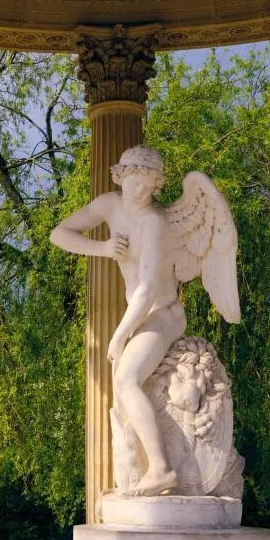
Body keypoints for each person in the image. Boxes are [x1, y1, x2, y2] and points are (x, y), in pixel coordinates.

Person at [50, 146, 185, 497]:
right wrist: (104, 248)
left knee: (125, 379)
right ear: (121, 176)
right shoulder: (110, 204)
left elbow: (147, 290)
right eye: (133, 181)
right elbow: (59, 234)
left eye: (147, 185)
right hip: (138, 315)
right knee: (124, 388)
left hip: (163, 313)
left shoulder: (155, 222)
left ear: (156, 186)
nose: (138, 191)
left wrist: (118, 336)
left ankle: (162, 469)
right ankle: (145, 467)